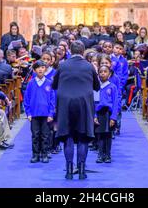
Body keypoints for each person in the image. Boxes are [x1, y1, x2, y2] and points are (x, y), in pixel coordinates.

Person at [52, 40, 100, 180]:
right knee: (82, 137)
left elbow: (54, 85)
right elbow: (97, 86)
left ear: (71, 51)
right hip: (84, 104)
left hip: (65, 104)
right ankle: (82, 171)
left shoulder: (62, 65)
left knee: (68, 137)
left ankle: (68, 170)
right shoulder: (89, 66)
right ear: (83, 51)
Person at [24, 60, 55, 163]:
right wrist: (28, 113)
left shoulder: (49, 83)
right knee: (35, 135)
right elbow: (27, 99)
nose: (41, 69)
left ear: (45, 69)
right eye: (38, 67)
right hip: (34, 114)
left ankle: (45, 153)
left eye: (42, 67)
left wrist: (51, 113)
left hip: (46, 114)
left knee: (45, 135)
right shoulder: (31, 83)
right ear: (34, 70)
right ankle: (35, 154)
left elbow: (52, 100)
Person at [94, 65, 118, 163]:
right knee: (99, 135)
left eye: (105, 71)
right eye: (101, 72)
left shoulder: (112, 87)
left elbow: (115, 102)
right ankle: (100, 154)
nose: (103, 73)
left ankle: (108, 155)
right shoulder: (96, 87)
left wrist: (113, 117)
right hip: (99, 113)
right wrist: (94, 116)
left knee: (108, 135)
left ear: (109, 74)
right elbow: (93, 102)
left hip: (108, 113)